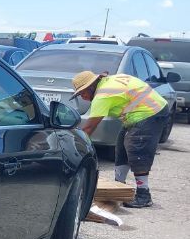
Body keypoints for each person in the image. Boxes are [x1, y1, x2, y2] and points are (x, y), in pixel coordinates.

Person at [70, 70, 169, 208]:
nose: (83, 97)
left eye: (82, 93)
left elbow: (89, 129)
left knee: (136, 149)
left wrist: (74, 147)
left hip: (150, 112)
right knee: (121, 147)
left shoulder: (102, 96)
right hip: (143, 111)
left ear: (91, 86)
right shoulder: (110, 81)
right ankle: (118, 188)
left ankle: (144, 195)